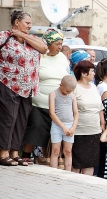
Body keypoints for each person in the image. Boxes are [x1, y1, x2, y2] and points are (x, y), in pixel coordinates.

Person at [0, 10, 47, 167]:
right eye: (27, 23)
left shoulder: (31, 39)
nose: (30, 26)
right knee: (8, 119)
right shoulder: (4, 36)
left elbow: (44, 48)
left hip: (27, 88)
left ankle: (14, 152)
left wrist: (23, 35)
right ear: (16, 22)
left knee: (21, 120)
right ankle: (3, 152)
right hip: (8, 84)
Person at [21, 29, 71, 164]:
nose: (60, 47)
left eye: (61, 44)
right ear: (48, 43)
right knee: (36, 127)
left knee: (53, 133)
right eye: (57, 44)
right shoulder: (39, 56)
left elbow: (67, 76)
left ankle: (49, 158)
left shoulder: (62, 58)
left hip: (58, 103)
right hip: (39, 102)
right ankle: (26, 155)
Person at [71, 60, 103, 176]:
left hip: (94, 131)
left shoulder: (94, 87)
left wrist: (102, 125)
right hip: (79, 131)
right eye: (92, 71)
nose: (94, 73)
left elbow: (100, 108)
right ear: (84, 73)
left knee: (90, 163)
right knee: (76, 164)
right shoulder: (74, 87)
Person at [48, 75, 79, 171]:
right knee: (56, 150)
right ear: (61, 85)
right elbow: (52, 113)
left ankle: (68, 172)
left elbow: (76, 113)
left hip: (69, 125)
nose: (68, 93)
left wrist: (73, 127)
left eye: (70, 91)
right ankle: (54, 172)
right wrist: (63, 127)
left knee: (68, 151)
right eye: (67, 91)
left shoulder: (72, 96)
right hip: (57, 125)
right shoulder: (53, 94)